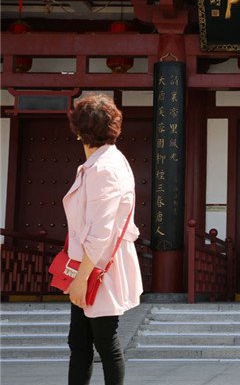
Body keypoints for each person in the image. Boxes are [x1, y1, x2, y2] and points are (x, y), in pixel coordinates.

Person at [64, 94, 143, 385]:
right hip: (91, 263)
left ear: (79, 130)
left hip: (97, 267)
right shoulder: (109, 161)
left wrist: (81, 278)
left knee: (104, 341)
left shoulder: (103, 168)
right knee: (80, 341)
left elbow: (100, 232)